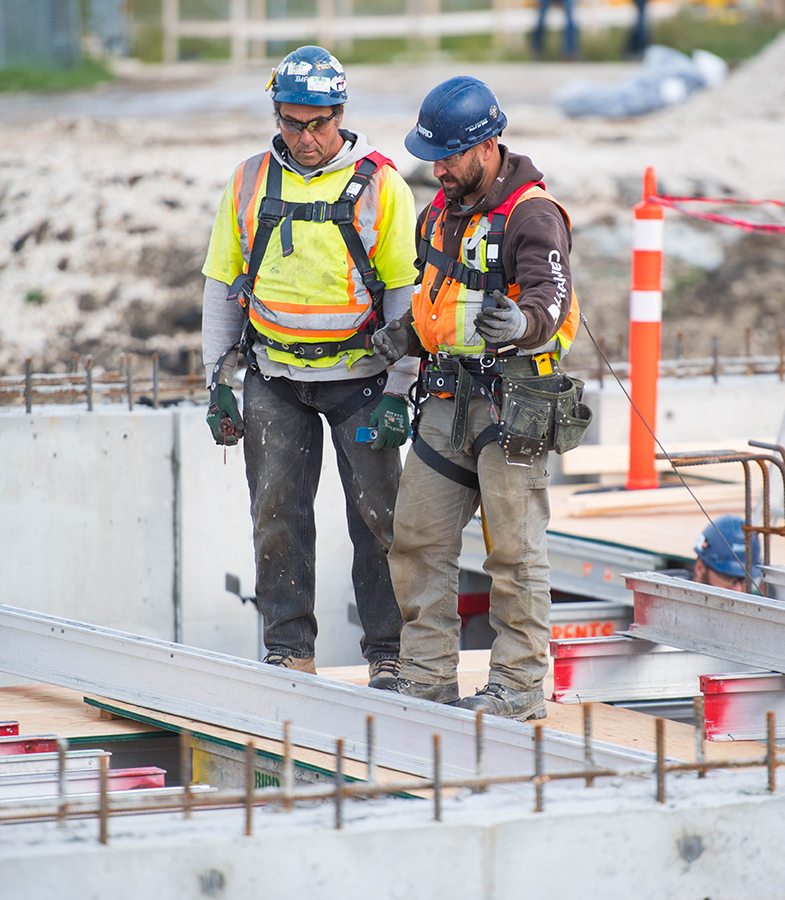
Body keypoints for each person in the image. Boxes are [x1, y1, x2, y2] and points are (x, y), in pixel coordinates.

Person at [201, 46, 419, 688]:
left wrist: (398, 393)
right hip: (276, 379)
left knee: (379, 517)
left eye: (319, 122)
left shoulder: (381, 184)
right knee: (277, 514)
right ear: (277, 115)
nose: (307, 137)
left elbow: (405, 294)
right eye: (293, 123)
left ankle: (390, 652)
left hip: (361, 382)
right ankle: (288, 651)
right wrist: (219, 382)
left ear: (341, 113)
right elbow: (222, 284)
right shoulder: (248, 182)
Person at [373, 76, 586, 720]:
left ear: (488, 146)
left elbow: (550, 298)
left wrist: (523, 325)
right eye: (432, 155)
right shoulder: (439, 209)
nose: (436, 167)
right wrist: (406, 335)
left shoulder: (533, 214)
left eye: (449, 156)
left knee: (514, 551)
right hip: (444, 398)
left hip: (510, 405)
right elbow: (442, 297)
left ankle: (519, 686)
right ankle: (427, 675)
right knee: (416, 539)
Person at [692, 515, 761, 593]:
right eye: (728, 578)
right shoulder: (675, 597)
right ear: (700, 568)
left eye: (746, 580)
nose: (738, 589)